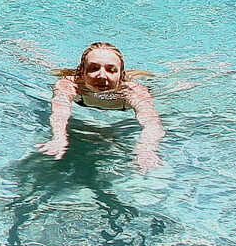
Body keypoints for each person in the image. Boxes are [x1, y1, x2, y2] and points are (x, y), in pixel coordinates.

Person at [38, 42, 165, 171]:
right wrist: (58, 138)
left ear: (121, 75)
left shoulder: (134, 92)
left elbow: (152, 123)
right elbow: (60, 112)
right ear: (82, 72)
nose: (102, 76)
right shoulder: (68, 85)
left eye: (111, 70)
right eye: (94, 68)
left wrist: (147, 149)